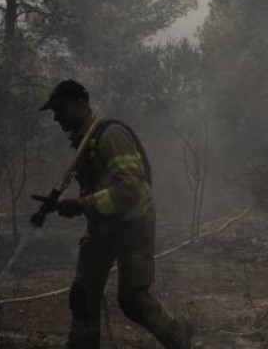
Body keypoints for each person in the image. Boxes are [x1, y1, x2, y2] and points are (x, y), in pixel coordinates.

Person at [38, 79, 193, 349]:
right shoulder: (86, 141)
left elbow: (130, 190)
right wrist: (70, 205)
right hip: (104, 226)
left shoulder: (110, 135)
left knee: (133, 300)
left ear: (80, 104)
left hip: (133, 224)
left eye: (59, 110)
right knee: (82, 296)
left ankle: (179, 336)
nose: (55, 118)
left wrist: (82, 205)